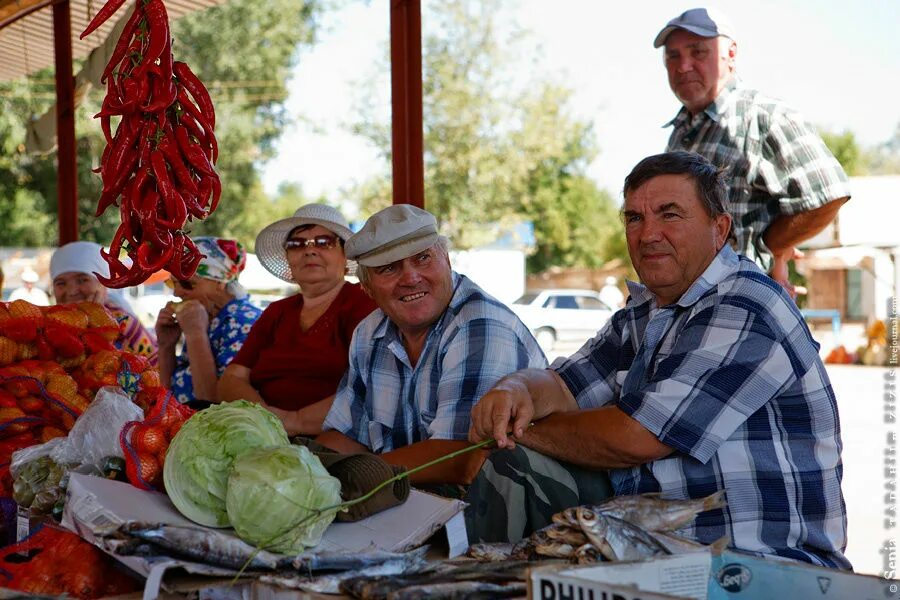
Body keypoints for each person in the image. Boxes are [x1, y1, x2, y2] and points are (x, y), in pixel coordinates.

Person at [466, 152, 849, 570]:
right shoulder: (644, 313)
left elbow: (635, 436)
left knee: (515, 458)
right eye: (634, 218)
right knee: (514, 472)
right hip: (661, 555)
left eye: (670, 215)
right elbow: (562, 386)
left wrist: (517, 429)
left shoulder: (746, 304)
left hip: (758, 566)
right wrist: (515, 390)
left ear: (719, 229)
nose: (648, 234)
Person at [317, 204, 547, 487]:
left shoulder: (479, 325)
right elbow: (347, 435)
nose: (411, 278)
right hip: (411, 503)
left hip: (481, 517)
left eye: (423, 258)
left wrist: (351, 474)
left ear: (447, 260)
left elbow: (458, 459)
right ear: (367, 288)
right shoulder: (369, 332)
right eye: (389, 268)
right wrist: (300, 467)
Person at [656, 8, 850, 297]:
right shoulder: (681, 131)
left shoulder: (762, 117)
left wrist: (770, 246)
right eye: (673, 56)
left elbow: (829, 194)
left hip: (744, 306)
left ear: (730, 55)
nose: (683, 66)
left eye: (698, 52)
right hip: (690, 309)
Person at [218, 204, 376, 434]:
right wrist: (265, 419)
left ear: (345, 256)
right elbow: (231, 378)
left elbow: (371, 388)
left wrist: (294, 422)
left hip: (334, 438)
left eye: (324, 242)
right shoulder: (276, 312)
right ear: (289, 260)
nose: (309, 251)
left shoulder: (361, 303)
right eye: (297, 244)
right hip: (261, 432)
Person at [155, 237, 261, 407]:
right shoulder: (205, 317)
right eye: (172, 283)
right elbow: (166, 399)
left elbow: (214, 402)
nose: (176, 293)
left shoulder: (245, 322)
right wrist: (166, 345)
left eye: (187, 283)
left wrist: (195, 334)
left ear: (220, 281)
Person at [50, 241, 157, 362]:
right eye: (61, 283)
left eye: (82, 280)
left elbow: (157, 370)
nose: (71, 291)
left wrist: (95, 320)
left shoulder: (123, 322)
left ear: (102, 283)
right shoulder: (49, 324)